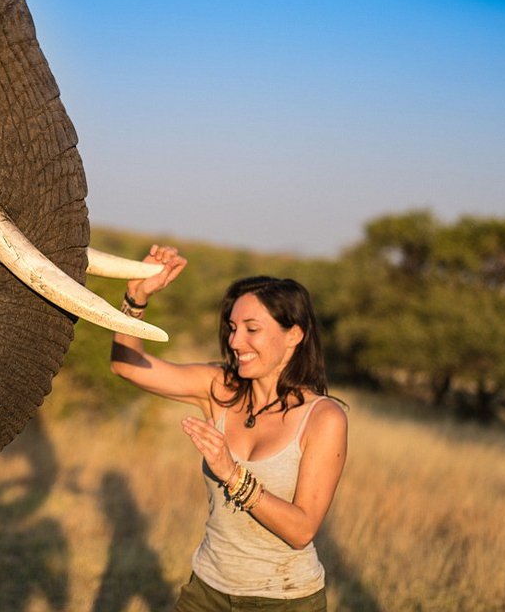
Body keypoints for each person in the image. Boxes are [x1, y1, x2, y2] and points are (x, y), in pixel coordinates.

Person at [110, 245, 348, 612]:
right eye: (233, 328)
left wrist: (232, 474)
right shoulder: (220, 388)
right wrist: (136, 296)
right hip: (206, 592)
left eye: (252, 329)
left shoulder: (323, 418)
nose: (235, 342)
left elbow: (301, 530)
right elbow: (126, 366)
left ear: (294, 335)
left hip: (285, 600)